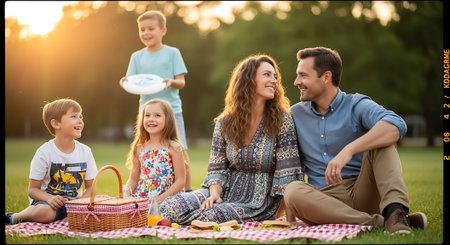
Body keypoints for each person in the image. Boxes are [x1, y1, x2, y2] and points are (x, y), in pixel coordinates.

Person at [284, 47, 427, 234]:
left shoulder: (356, 104)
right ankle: (385, 222)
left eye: (303, 75)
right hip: (323, 201)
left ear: (326, 77)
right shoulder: (295, 114)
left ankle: (396, 211)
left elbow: (395, 124)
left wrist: (348, 150)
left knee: (383, 138)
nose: (296, 82)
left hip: (363, 191)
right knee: (293, 190)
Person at [159, 54, 304, 225]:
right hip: (222, 190)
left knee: (212, 215)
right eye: (267, 74)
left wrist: (283, 217)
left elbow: (288, 173)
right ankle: (195, 221)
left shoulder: (282, 120)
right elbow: (217, 168)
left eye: (275, 76)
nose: (274, 80)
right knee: (170, 206)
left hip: (259, 202)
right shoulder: (225, 122)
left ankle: (194, 222)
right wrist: (213, 195)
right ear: (248, 80)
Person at [119, 10, 192, 192]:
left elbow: (181, 82)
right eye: (142, 29)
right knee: (142, 151)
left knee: (180, 152)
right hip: (148, 114)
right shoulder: (136, 57)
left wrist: (171, 82)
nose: (146, 33)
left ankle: (189, 192)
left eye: (151, 28)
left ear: (163, 30)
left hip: (171, 112)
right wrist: (124, 82)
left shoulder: (172, 53)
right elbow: (132, 82)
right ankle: (141, 188)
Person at [5, 98, 98, 225]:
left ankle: (66, 217)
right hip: (46, 203)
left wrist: (79, 204)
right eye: (74, 116)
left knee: (102, 205)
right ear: (56, 124)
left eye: (80, 116)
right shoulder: (44, 152)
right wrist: (49, 198)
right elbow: (33, 190)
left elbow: (91, 187)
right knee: (45, 213)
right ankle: (14, 217)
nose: (80, 121)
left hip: (76, 203)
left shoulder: (85, 151)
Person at [124, 99, 186, 204]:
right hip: (143, 198)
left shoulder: (173, 147)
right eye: (147, 115)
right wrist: (126, 194)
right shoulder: (139, 148)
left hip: (167, 199)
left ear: (168, 119)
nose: (151, 119)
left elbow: (180, 180)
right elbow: (133, 179)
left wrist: (161, 198)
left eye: (157, 115)